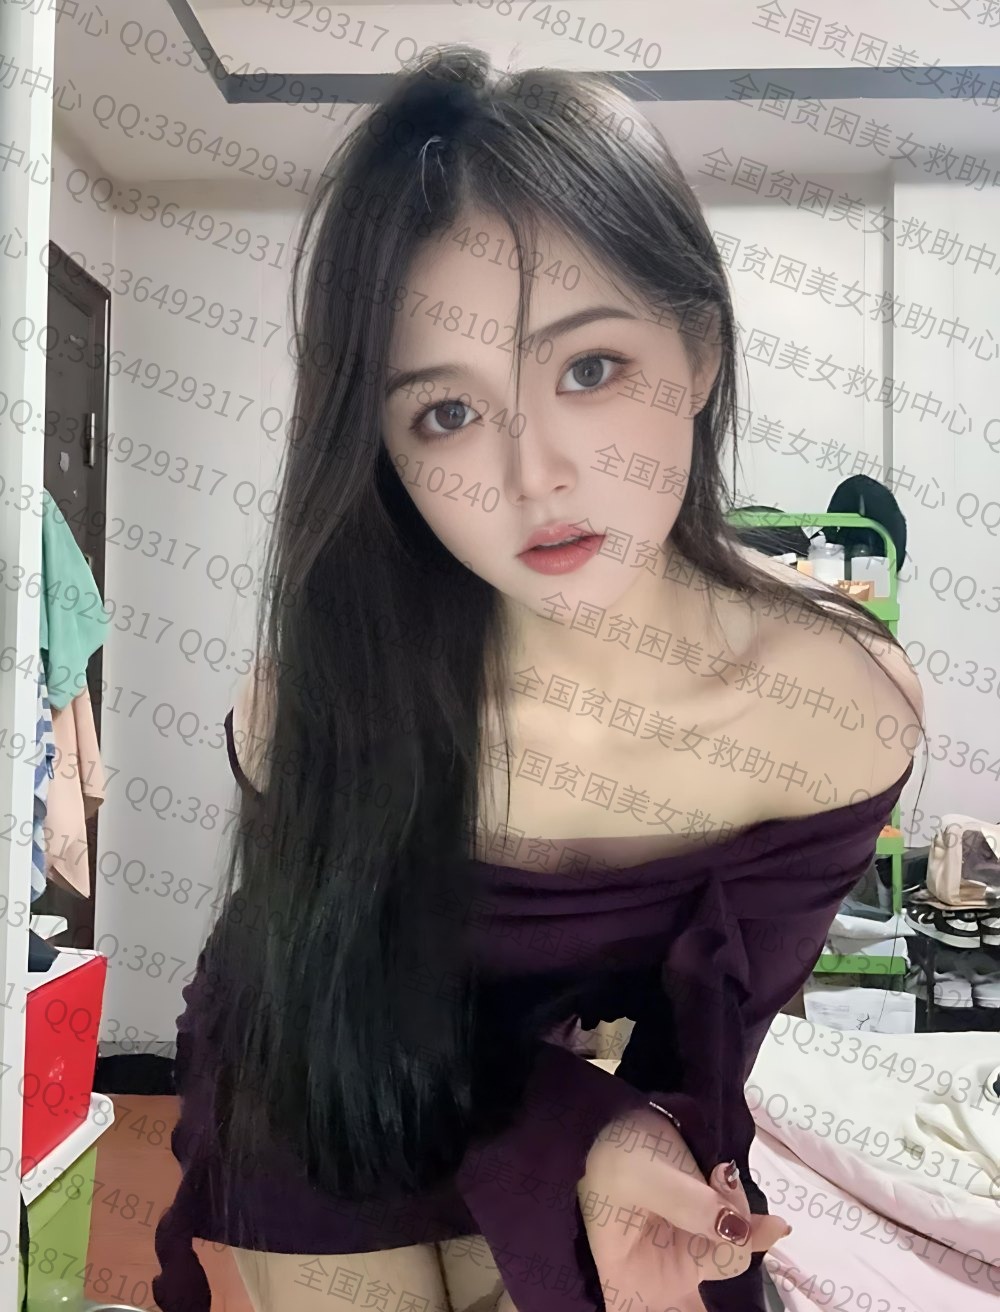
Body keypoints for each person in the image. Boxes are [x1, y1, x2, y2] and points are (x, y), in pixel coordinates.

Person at [153, 44, 924, 1312]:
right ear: (384, 447)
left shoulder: (831, 714)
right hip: (330, 1082)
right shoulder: (323, 701)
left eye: (588, 369)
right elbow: (316, 1010)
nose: (533, 474)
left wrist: (607, 1136)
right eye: (446, 414)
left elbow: (702, 1050)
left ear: (699, 351)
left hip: (606, 1119)